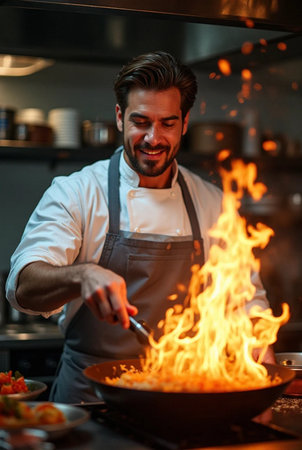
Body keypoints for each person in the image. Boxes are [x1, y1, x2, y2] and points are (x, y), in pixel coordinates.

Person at [5, 51, 274, 403]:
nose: (153, 138)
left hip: (181, 396)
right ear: (120, 117)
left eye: (167, 123)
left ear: (185, 122)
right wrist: (82, 276)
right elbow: (22, 286)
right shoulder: (77, 193)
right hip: (90, 398)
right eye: (141, 121)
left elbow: (246, 299)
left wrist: (257, 346)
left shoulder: (212, 203)